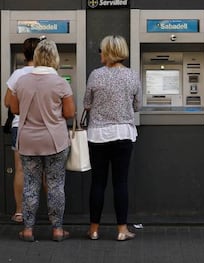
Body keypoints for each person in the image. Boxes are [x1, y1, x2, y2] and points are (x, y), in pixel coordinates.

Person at [9, 39, 75, 242]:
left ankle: (28, 229)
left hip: (28, 140)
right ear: (54, 58)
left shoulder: (21, 81)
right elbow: (69, 113)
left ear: (36, 57)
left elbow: (15, 109)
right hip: (55, 141)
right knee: (55, 185)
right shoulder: (61, 82)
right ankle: (57, 230)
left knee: (30, 184)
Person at [84, 35, 141, 241]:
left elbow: (87, 103)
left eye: (101, 50)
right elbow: (137, 106)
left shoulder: (95, 75)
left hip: (98, 134)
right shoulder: (132, 75)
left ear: (107, 52)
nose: (99, 53)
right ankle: (121, 230)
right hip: (123, 134)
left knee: (97, 182)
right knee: (120, 183)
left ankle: (94, 230)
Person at [4, 37, 40, 224]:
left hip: (21, 126)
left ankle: (19, 212)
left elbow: (7, 102)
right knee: (45, 171)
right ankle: (51, 213)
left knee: (20, 170)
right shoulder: (49, 73)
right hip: (43, 128)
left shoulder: (17, 75)